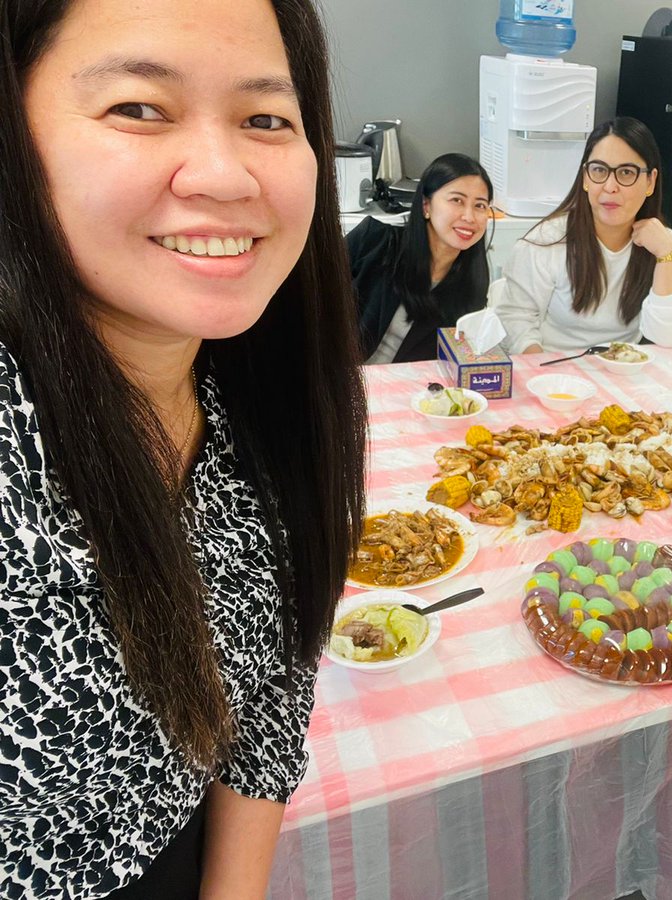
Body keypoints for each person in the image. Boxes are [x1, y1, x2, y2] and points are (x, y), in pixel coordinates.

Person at [0, 1, 367, 898]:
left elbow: (271, 700)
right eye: (138, 107)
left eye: (266, 119)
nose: (225, 174)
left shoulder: (255, 404)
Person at [493, 117, 672, 354]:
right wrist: (543, 374)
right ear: (585, 178)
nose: (610, 186)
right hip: (553, 375)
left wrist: (666, 255)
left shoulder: (666, 246)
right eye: (599, 170)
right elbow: (515, 318)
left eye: (626, 172)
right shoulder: (547, 241)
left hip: (623, 370)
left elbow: (666, 337)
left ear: (650, 181)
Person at [348, 152, 493, 363]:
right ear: (426, 205)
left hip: (409, 390)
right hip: (337, 382)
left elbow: (456, 357)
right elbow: (308, 301)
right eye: (457, 200)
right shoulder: (373, 240)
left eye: (480, 205)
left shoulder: (472, 281)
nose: (469, 217)